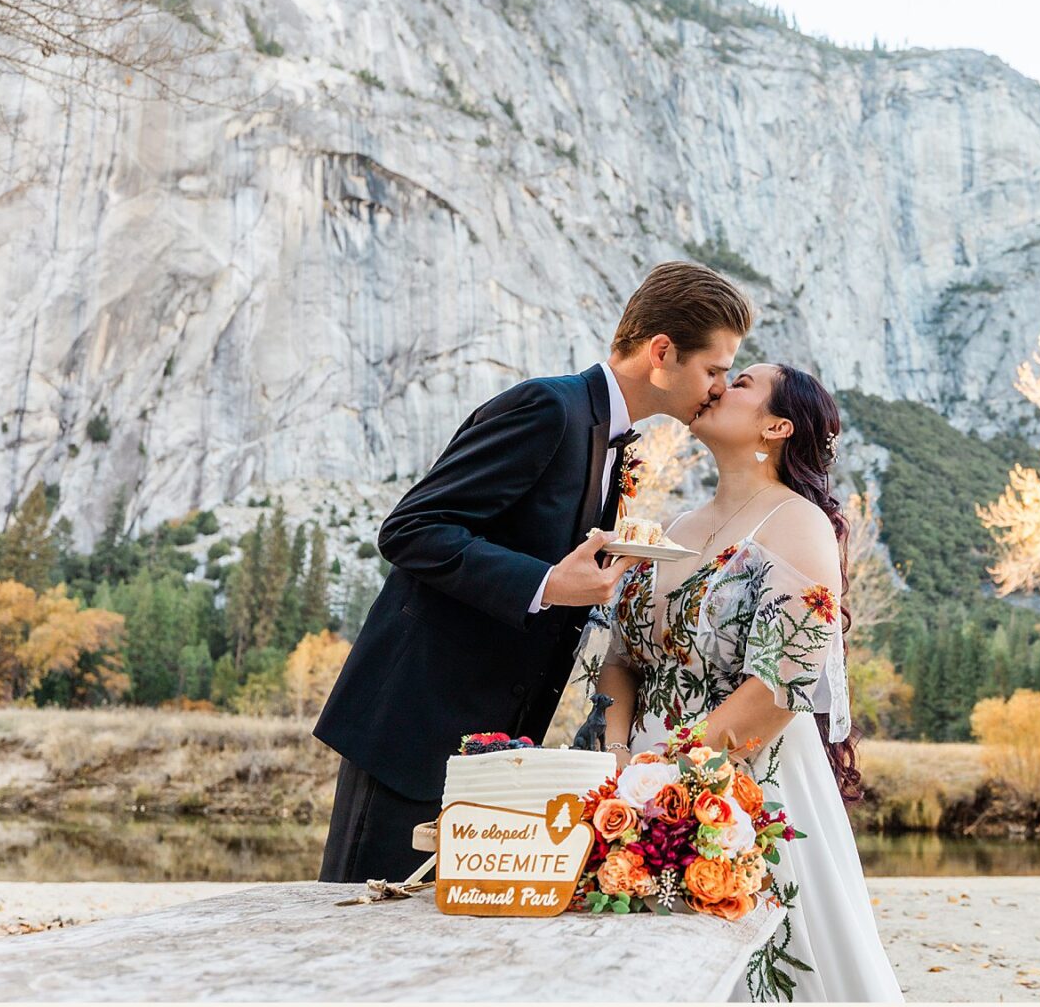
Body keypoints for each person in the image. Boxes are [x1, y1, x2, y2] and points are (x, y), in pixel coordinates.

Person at [313, 262, 752, 883]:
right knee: (362, 931)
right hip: (414, 730)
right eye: (714, 369)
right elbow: (410, 528)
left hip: (488, 745)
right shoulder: (549, 408)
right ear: (662, 353)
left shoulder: (607, 436)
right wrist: (547, 585)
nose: (719, 387)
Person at [594, 362, 904, 1002]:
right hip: (636, 776)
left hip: (744, 781)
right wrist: (621, 760)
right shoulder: (674, 528)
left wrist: (669, 775)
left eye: (741, 384)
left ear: (777, 425)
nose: (716, 386)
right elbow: (622, 660)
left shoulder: (797, 525)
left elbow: (780, 686)